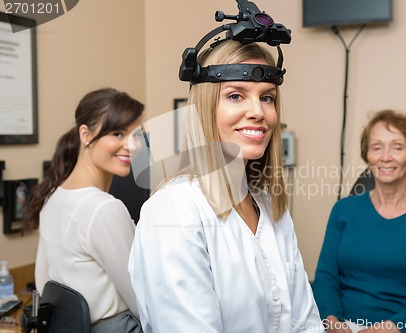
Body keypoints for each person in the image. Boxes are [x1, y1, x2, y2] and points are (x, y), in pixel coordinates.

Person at [128, 37, 323, 332]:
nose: (258, 111)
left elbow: (305, 321)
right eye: (236, 96)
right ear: (206, 109)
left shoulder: (271, 208)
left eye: (267, 97)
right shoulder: (172, 212)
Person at [313, 110, 406, 333]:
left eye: (397, 147)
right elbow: (326, 278)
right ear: (367, 155)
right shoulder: (343, 211)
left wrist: (391, 328)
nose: (385, 157)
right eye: (377, 147)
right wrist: (332, 321)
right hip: (344, 326)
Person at [24, 88, 144, 332]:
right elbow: (140, 296)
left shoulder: (53, 198)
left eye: (137, 135)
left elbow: (44, 282)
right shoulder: (103, 208)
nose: (132, 145)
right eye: (118, 133)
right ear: (85, 134)